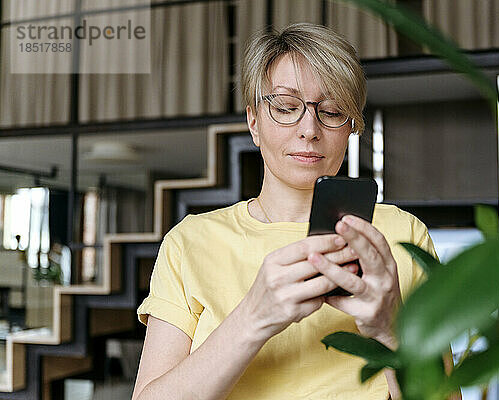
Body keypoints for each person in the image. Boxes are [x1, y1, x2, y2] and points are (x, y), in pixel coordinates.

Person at [133, 22, 437, 400]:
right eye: (286, 107)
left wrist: (391, 329)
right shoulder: (188, 242)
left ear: (351, 128)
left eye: (332, 110)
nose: (309, 128)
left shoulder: (402, 235)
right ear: (253, 122)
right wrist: (254, 317)